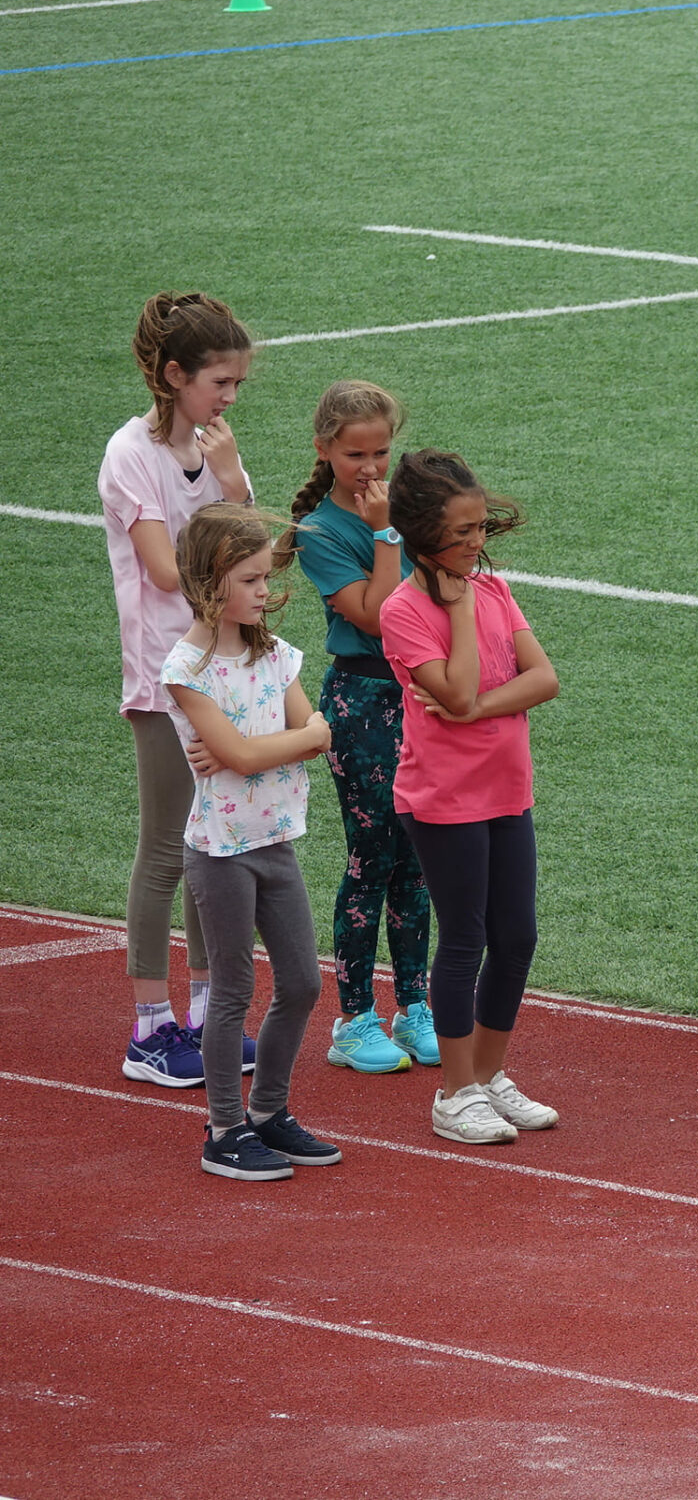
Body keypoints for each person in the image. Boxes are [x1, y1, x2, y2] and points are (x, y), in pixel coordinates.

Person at [379, 451, 562, 1146]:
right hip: (444, 797)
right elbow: (448, 688)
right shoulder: (404, 611)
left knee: (516, 936)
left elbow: (542, 678)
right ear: (423, 536)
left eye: (481, 527)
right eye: (462, 533)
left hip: (507, 787)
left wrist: (476, 706)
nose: (476, 543)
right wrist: (455, 614)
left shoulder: (495, 587)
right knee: (463, 938)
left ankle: (488, 1076)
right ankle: (453, 1092)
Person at [100, 292, 255, 1090]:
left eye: (235, 384)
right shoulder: (132, 453)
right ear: (173, 375)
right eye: (219, 382)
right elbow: (169, 571)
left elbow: (254, 554)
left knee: (211, 847)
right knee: (166, 847)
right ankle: (149, 1027)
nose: (230, 398)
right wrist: (223, 495)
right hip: (166, 679)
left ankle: (205, 1015)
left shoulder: (213, 450)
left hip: (223, 675)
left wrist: (226, 479)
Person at [161, 505, 337, 1181]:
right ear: (212, 582)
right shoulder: (187, 667)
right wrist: (284, 743)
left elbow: (306, 734)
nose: (266, 589)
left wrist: (260, 750)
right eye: (252, 578)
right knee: (232, 988)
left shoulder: (272, 650)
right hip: (220, 849)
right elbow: (274, 740)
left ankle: (269, 1113)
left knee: (300, 980)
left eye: (266, 576)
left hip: (274, 839)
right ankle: (225, 1129)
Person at [288, 380, 436, 1077]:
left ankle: (414, 1004)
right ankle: (354, 1019)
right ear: (325, 450)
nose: (372, 466)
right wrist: (384, 533)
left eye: (381, 450)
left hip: (419, 696)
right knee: (370, 856)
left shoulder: (403, 506)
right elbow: (375, 616)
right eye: (356, 453)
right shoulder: (323, 530)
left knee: (419, 858)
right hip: (362, 701)